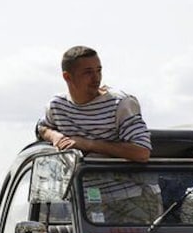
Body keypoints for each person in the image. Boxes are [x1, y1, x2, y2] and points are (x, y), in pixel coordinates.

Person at [37, 46, 157, 223]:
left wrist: (88, 144)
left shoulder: (120, 103)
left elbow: (142, 151)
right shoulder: (57, 106)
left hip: (132, 198)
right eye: (88, 73)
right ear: (67, 77)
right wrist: (56, 137)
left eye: (99, 70)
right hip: (86, 200)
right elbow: (41, 128)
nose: (96, 78)